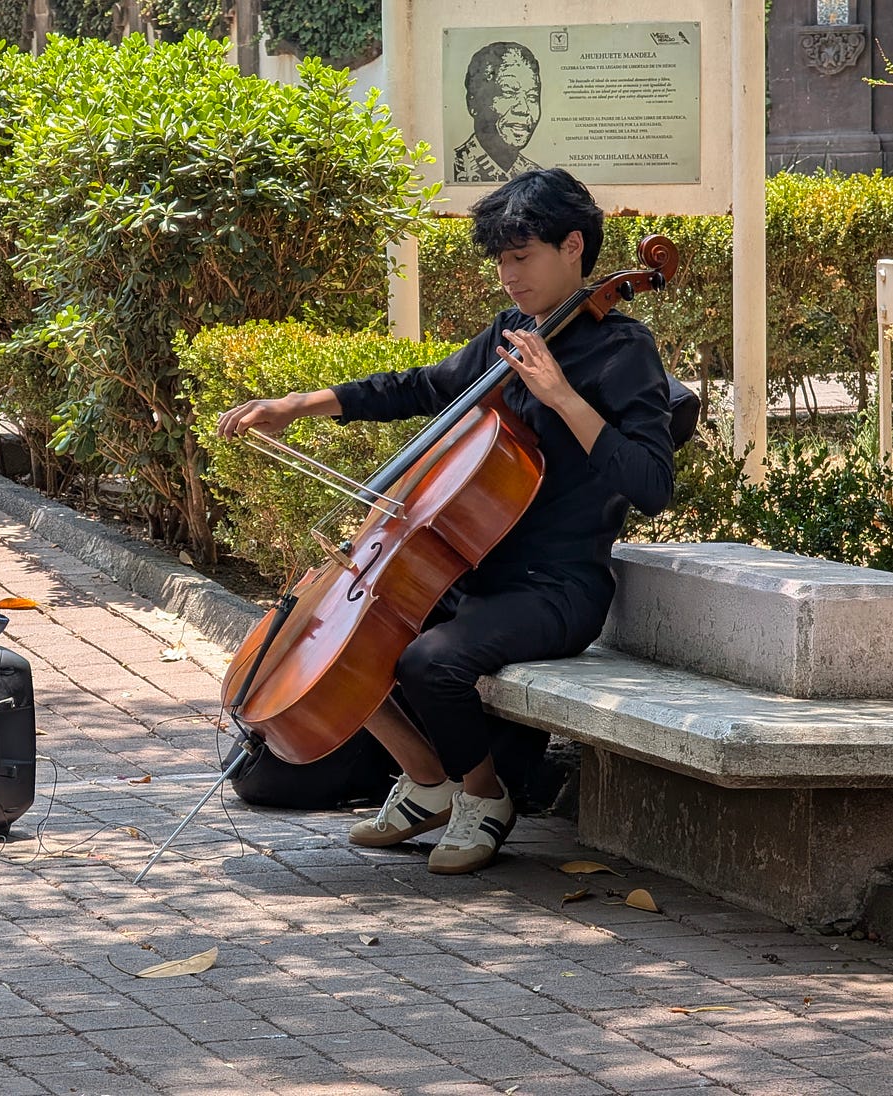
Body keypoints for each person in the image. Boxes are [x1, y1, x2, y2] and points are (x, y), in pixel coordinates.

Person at [216, 169, 678, 875]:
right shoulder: (513, 331)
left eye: (520, 256)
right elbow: (420, 386)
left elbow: (651, 485)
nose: (506, 276)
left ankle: (485, 798)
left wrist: (560, 396)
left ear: (574, 246)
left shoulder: (623, 353)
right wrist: (298, 404)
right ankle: (427, 782)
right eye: (499, 260)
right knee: (336, 643)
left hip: (556, 586)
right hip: (477, 568)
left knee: (431, 661)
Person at [453, 41, 542, 184]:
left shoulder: (536, 177)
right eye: (509, 93)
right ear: (473, 102)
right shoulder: (456, 167)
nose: (524, 109)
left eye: (532, 97)